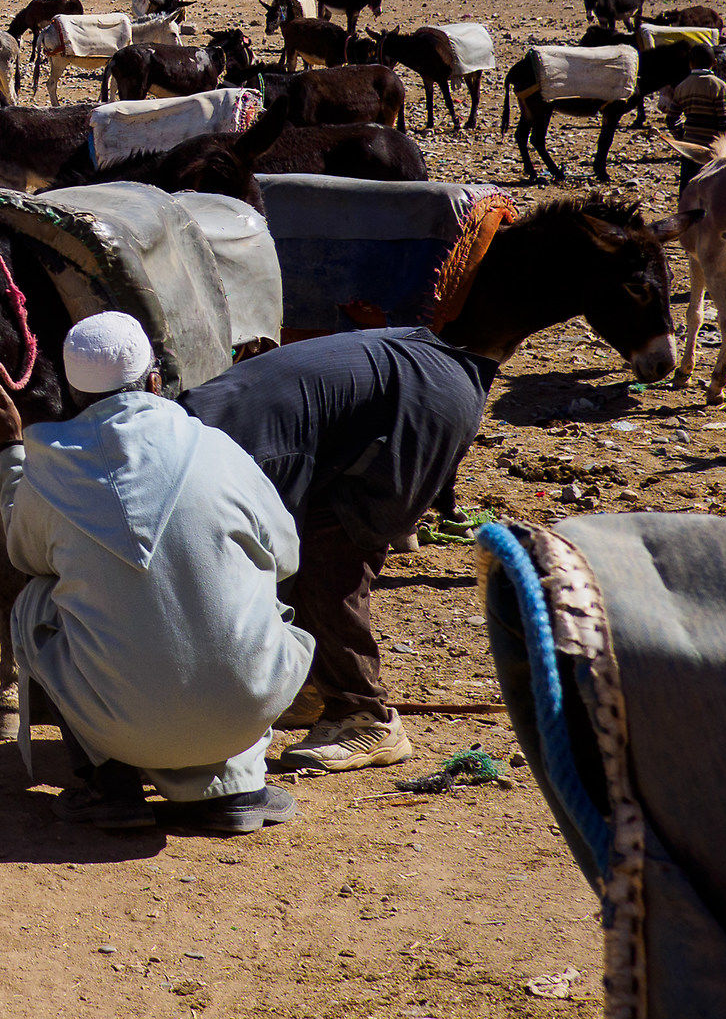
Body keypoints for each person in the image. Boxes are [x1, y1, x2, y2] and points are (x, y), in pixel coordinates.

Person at [0, 314, 311, 834]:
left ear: (74, 395)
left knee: (37, 600)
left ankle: (111, 784)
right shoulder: (220, 450)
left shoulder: (46, 467)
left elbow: (25, 555)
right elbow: (287, 558)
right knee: (254, 593)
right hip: (247, 710)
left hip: (120, 725)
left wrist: (11, 450)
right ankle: (239, 785)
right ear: (154, 381)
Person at [178, 325, 498, 774]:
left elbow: (266, 558)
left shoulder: (223, 459)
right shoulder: (180, 427)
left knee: (326, 562)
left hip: (418, 404)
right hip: (414, 374)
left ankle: (365, 718)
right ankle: (309, 690)